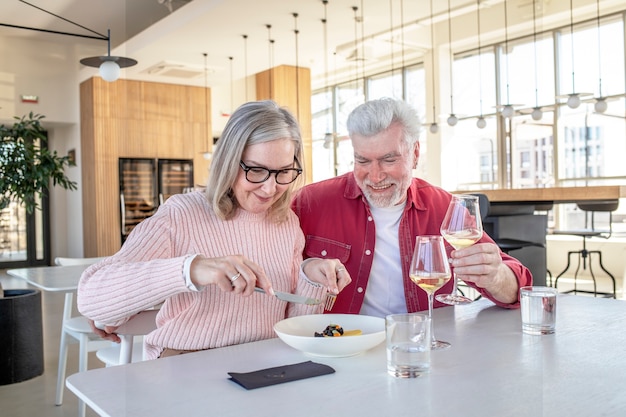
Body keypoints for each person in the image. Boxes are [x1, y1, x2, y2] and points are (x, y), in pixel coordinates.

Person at [78, 100, 351, 360]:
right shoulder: (181, 213)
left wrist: (312, 277)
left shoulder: (287, 223)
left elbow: (293, 325)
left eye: (284, 172)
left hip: (265, 360)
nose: (270, 189)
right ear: (229, 162)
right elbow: (92, 296)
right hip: (186, 362)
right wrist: (191, 269)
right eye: (256, 171)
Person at [292, 97, 532, 317]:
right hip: (339, 345)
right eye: (362, 161)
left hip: (422, 345)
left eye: (389, 160)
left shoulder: (444, 207)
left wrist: (496, 275)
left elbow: (519, 290)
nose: (375, 176)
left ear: (415, 154)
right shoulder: (309, 202)